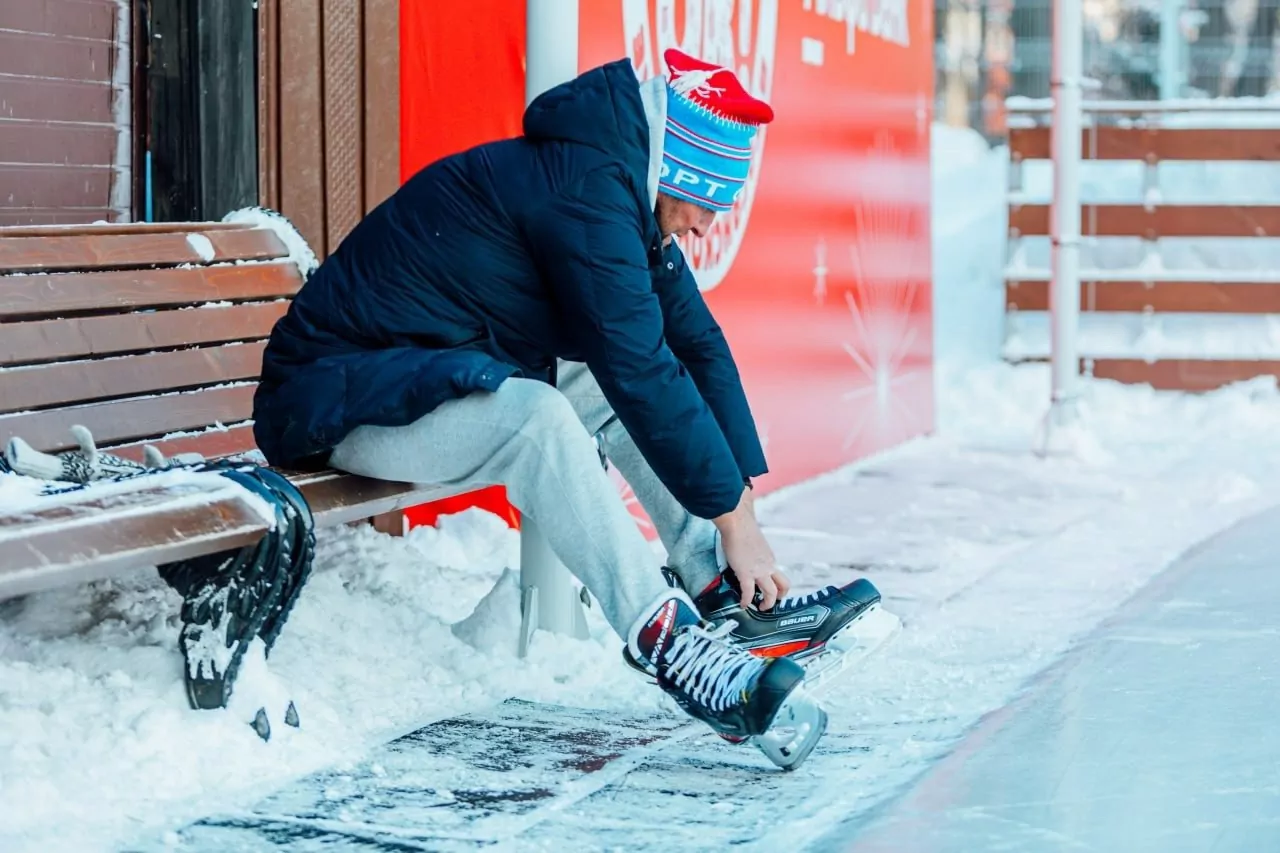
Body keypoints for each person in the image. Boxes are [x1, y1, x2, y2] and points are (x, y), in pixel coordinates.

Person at [252, 49, 881, 769]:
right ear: (673, 173)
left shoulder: (613, 191)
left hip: (411, 374)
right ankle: (673, 648)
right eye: (708, 203)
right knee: (542, 418)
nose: (707, 227)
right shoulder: (588, 195)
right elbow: (642, 367)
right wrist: (732, 515)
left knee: (592, 383)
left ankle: (719, 594)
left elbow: (698, 347)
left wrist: (744, 522)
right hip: (335, 401)